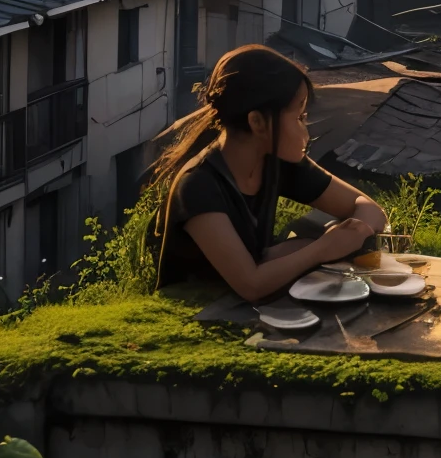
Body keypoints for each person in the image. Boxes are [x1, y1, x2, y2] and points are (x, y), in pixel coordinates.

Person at [152, 44, 387, 301]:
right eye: (299, 117)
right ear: (257, 122)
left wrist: (354, 233)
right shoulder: (198, 185)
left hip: (248, 308)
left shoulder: (278, 162)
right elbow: (251, 284)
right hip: (197, 315)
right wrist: (323, 248)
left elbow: (369, 208)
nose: (306, 131)